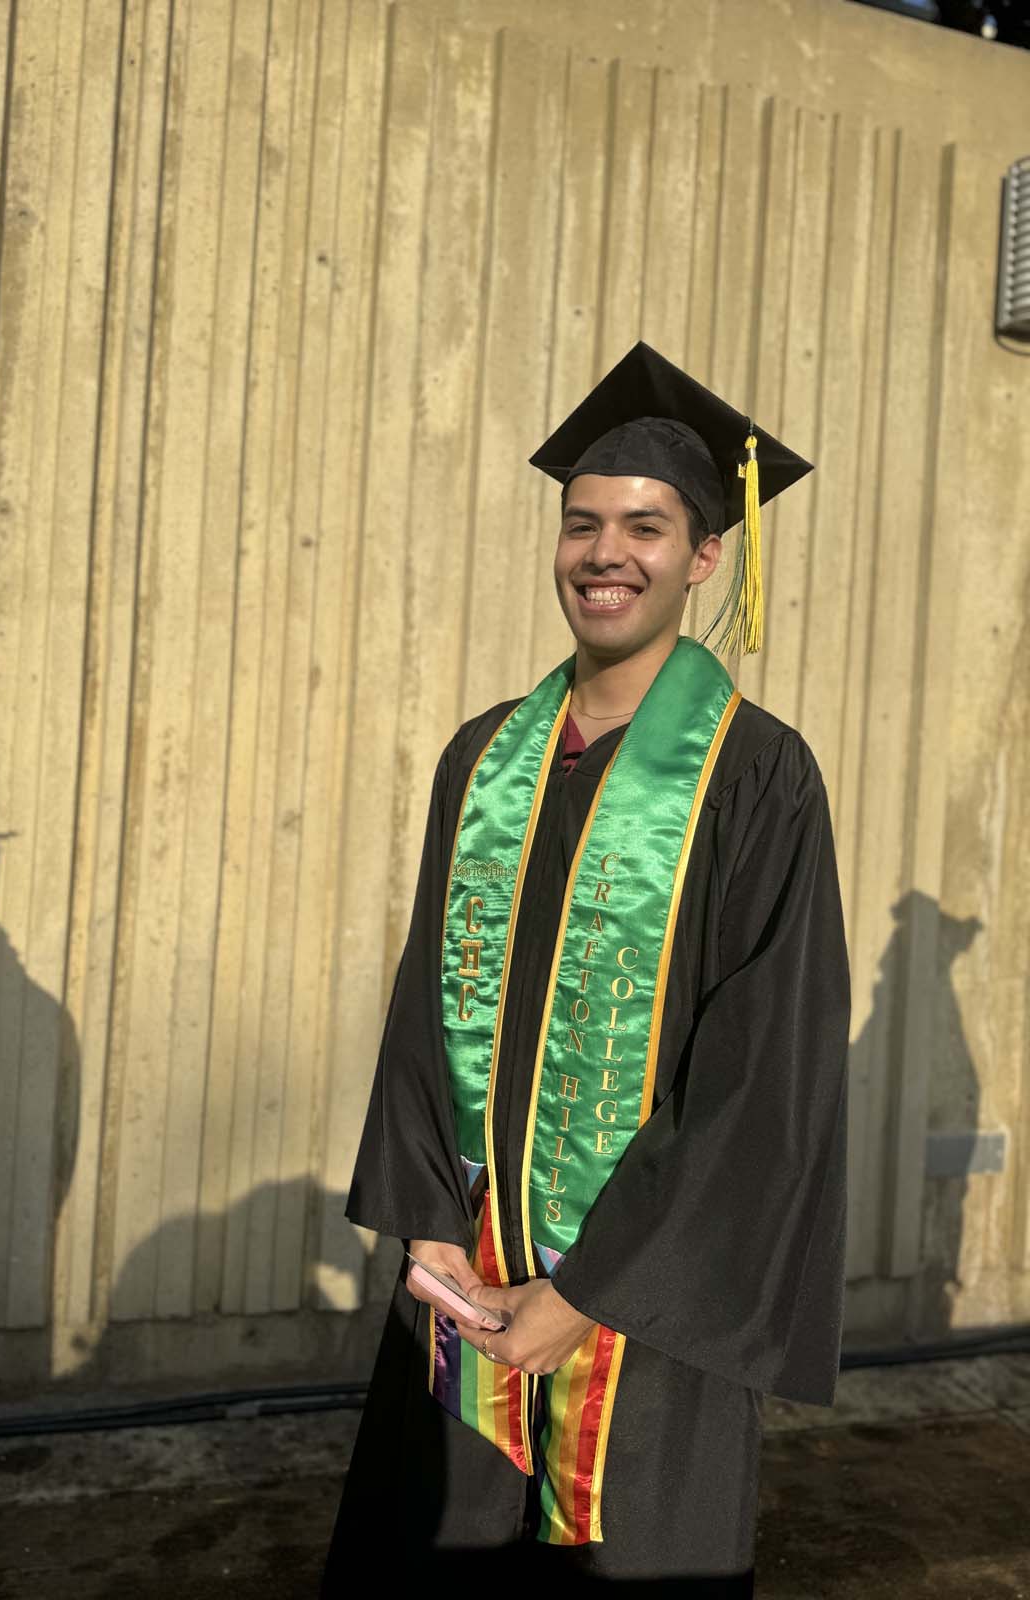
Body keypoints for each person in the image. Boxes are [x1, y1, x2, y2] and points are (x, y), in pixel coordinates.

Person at [321, 343, 850, 1595]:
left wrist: (593, 1293)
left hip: (645, 1315)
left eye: (647, 527)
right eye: (583, 523)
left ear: (706, 555)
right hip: (462, 1283)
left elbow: (764, 1071)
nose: (606, 553)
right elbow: (421, 1007)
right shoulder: (484, 755)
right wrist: (427, 1225)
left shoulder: (758, 777)